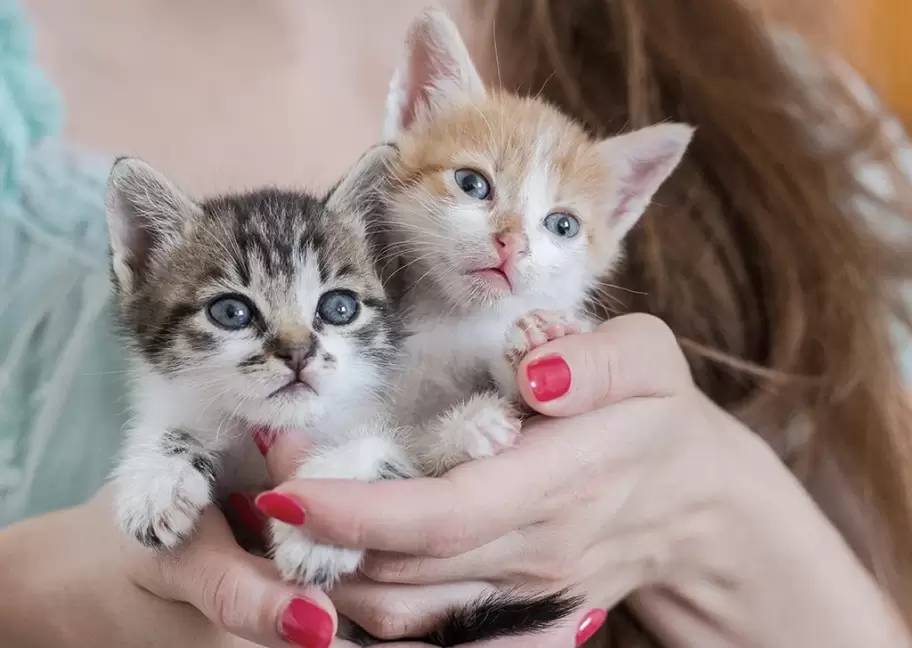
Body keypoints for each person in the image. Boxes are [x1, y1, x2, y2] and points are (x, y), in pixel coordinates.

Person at [2, 1, 911, 647]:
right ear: (413, 111)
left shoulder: (793, 117)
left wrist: (709, 509)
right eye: (475, 187)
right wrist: (36, 599)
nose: (515, 246)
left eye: (558, 227)